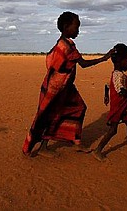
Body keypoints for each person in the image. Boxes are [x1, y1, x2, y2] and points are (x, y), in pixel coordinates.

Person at [22, 11, 113, 157]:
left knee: (79, 108)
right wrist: (104, 58)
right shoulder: (65, 46)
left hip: (66, 87)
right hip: (56, 89)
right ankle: (43, 147)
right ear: (66, 27)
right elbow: (82, 64)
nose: (78, 31)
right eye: (76, 27)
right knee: (50, 115)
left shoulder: (66, 44)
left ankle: (75, 140)